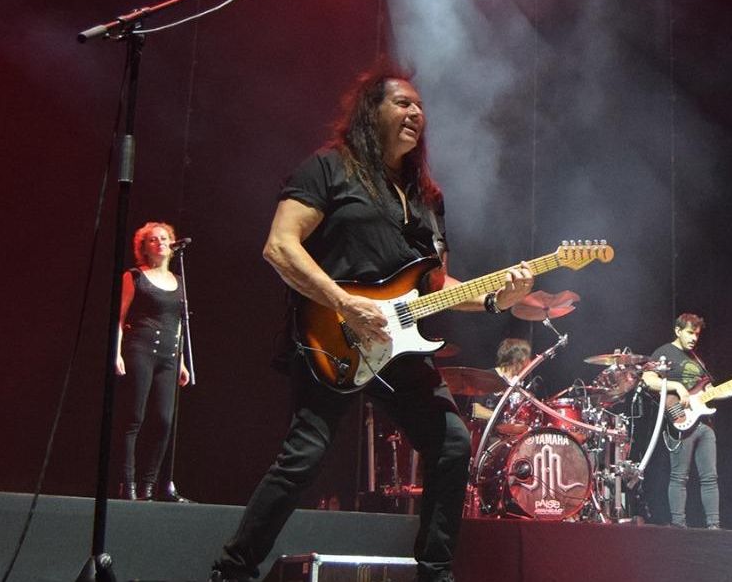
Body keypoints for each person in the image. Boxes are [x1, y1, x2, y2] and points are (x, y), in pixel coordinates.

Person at [209, 66, 534, 582]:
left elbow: (434, 287)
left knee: (451, 443)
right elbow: (280, 246)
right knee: (303, 459)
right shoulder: (329, 168)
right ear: (370, 111)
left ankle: (435, 574)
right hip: (333, 337)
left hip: (401, 348)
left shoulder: (428, 198)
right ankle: (233, 570)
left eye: (420, 107)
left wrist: (497, 299)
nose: (416, 113)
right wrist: (344, 303)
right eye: (403, 103)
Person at [640, 312, 732, 530]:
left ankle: (714, 526)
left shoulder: (697, 359)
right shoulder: (664, 352)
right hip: (680, 419)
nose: (694, 338)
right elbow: (648, 379)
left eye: (697, 334)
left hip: (704, 423)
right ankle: (679, 525)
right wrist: (676, 386)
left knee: (710, 477)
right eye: (690, 333)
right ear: (678, 331)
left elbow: (709, 392)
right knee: (680, 476)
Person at [114, 221, 191, 500]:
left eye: (164, 238)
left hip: (170, 355)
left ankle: (149, 486)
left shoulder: (179, 280)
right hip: (141, 349)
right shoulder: (134, 276)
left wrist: (181, 362)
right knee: (134, 417)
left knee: (164, 420)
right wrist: (116, 352)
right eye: (152, 240)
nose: (159, 243)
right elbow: (119, 318)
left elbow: (180, 324)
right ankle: (128, 485)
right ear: (143, 247)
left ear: (171, 245)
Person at [470, 338, 533, 424]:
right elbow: (475, 410)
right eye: (527, 359)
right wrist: (501, 420)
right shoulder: (487, 377)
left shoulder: (520, 382)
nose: (530, 362)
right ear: (515, 361)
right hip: (488, 432)